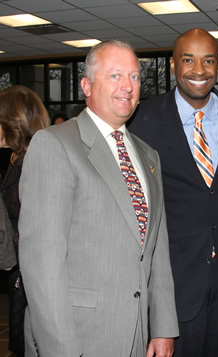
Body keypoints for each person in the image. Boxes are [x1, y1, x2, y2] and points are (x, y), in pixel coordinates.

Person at [18, 40, 178, 357]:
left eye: (134, 77)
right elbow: (42, 265)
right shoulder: (54, 144)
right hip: (79, 336)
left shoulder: (148, 155)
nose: (128, 86)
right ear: (87, 85)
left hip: (137, 333)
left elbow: (156, 250)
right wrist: (62, 350)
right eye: (115, 75)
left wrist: (163, 327)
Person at [128, 28, 218, 356]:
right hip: (172, 285)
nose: (199, 70)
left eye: (208, 60)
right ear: (172, 65)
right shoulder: (142, 121)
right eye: (188, 59)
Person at [0, 85, 50, 356]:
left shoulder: (36, 162)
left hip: (32, 272)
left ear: (12, 123)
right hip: (21, 270)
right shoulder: (18, 159)